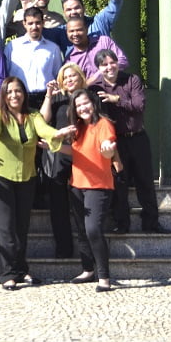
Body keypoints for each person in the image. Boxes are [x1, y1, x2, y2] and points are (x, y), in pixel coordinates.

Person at [0, 77, 75, 290]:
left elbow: (44, 130)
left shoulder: (32, 114)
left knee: (21, 226)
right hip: (1, 175)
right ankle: (7, 274)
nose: (14, 95)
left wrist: (58, 133)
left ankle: (21, 269)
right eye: (10, 92)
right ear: (4, 95)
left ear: (23, 93)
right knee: (5, 227)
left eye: (18, 91)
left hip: (27, 176)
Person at [90, 49, 171, 234]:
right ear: (98, 68)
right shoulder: (96, 88)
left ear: (118, 63)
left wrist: (116, 99)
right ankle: (122, 224)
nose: (110, 67)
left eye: (112, 62)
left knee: (145, 182)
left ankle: (151, 223)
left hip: (138, 138)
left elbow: (139, 106)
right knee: (119, 183)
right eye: (104, 64)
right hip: (115, 143)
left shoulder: (131, 80)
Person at [64, 89, 118, 292]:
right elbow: (76, 151)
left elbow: (108, 145)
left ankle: (104, 277)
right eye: (78, 106)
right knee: (81, 230)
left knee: (93, 229)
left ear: (93, 103)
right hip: (77, 184)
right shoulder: (78, 128)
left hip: (99, 186)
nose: (82, 108)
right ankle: (88, 270)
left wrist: (108, 149)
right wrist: (53, 147)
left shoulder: (103, 123)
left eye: (85, 103)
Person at [39, 63, 87, 259]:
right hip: (59, 154)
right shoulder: (57, 97)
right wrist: (49, 95)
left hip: (82, 153)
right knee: (58, 204)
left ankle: (87, 251)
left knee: (81, 203)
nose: (69, 80)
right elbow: (42, 119)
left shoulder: (87, 98)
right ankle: (63, 248)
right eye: (65, 77)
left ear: (80, 77)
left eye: (72, 76)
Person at [44, 0, 123, 51]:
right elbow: (39, 33)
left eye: (76, 8)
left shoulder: (99, 21)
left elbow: (116, 4)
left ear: (84, 8)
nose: (73, 12)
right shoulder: (61, 32)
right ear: (64, 13)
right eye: (69, 9)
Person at [5, 6, 64, 109]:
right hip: (20, 98)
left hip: (45, 98)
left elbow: (57, 76)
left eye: (37, 23)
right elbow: (6, 73)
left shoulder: (53, 48)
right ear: (24, 24)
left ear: (43, 23)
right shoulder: (12, 46)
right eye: (30, 23)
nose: (34, 27)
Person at [64, 18, 128, 84]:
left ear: (86, 29)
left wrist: (96, 77)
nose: (75, 34)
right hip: (91, 92)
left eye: (79, 30)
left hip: (116, 87)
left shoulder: (104, 42)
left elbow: (122, 61)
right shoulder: (70, 59)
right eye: (71, 31)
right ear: (67, 33)